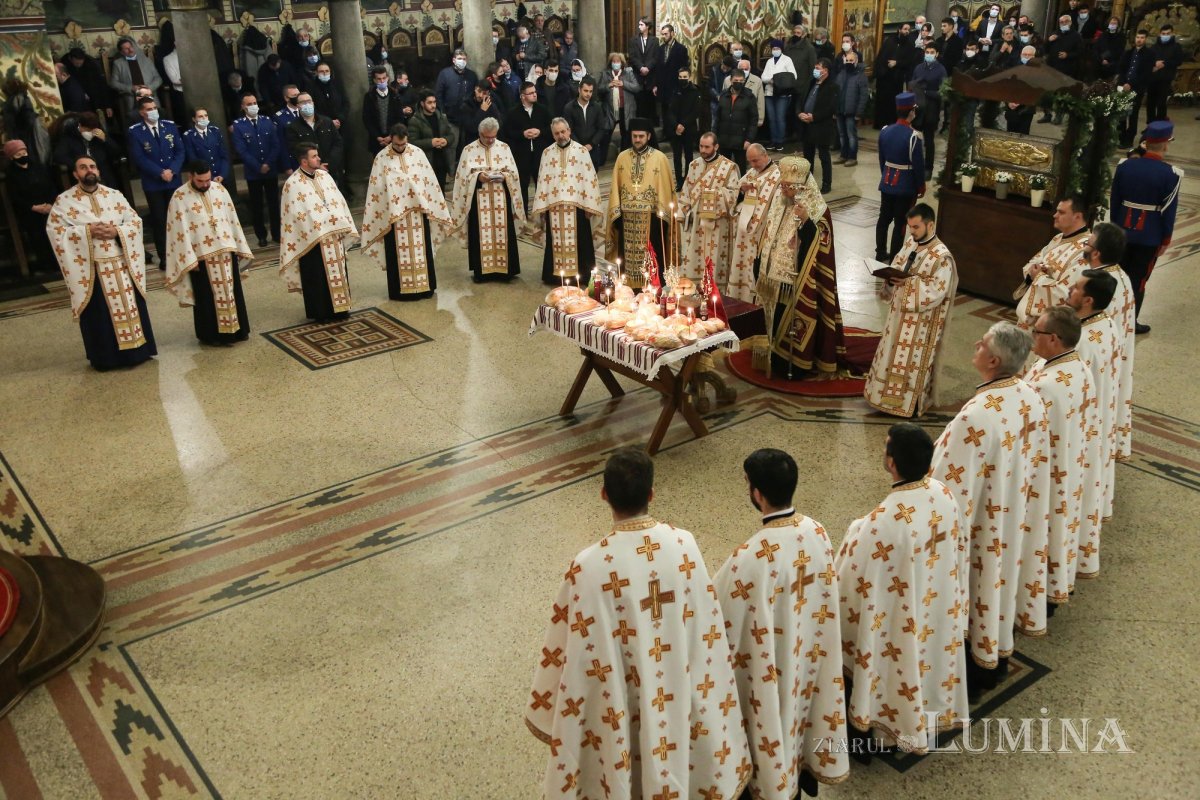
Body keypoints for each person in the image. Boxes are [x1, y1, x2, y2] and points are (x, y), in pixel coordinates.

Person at [526, 447, 751, 799]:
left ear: (603, 495)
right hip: (677, 687)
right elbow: (706, 628)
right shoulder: (684, 545)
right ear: (651, 494)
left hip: (617, 698)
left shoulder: (587, 567)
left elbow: (571, 653)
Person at [713, 448, 850, 795]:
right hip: (807, 659)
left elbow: (717, 621)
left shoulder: (750, 557)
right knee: (800, 712)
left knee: (772, 719)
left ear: (756, 494)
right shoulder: (818, 531)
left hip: (772, 666)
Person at [929, 322, 1050, 696]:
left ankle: (971, 659)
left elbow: (943, 486)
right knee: (998, 583)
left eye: (981, 344)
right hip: (1013, 510)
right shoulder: (1028, 393)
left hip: (982, 522)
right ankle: (993, 647)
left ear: (993, 360)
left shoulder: (975, 416)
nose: (975, 344)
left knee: (975, 587)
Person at [835, 424, 968, 755]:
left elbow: (848, 587)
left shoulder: (879, 525)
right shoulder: (944, 493)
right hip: (934, 603)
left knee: (895, 659)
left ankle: (889, 725)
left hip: (898, 620)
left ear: (892, 463)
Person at [46, 155, 157, 370]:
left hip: (121, 264)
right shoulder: (64, 201)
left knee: (130, 307)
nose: (89, 170)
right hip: (92, 269)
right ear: (75, 174)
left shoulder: (115, 195)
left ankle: (138, 353)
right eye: (83, 167)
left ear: (98, 171)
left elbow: (135, 222)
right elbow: (55, 232)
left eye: (93, 166)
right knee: (100, 314)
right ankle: (106, 358)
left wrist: (117, 231)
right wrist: (87, 231)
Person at [1025, 306, 1099, 612]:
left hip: (1043, 475)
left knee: (1039, 535)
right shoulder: (1078, 366)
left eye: (1037, 331)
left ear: (1053, 339)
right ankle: (1054, 586)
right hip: (1068, 467)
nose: (1033, 336)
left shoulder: (1046, 385)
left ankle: (1036, 595)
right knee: (1058, 527)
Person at [756, 157, 848, 377]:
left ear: (802, 187)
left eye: (789, 187)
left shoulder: (818, 210)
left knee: (793, 320)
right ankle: (774, 356)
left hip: (802, 279)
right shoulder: (780, 203)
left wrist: (806, 221)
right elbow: (769, 233)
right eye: (783, 185)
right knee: (774, 316)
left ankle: (797, 364)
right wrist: (760, 261)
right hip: (774, 278)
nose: (784, 190)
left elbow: (823, 245)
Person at [864, 203, 957, 417]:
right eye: (909, 227)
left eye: (916, 227)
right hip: (898, 314)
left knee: (909, 364)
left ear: (930, 225)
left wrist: (909, 284)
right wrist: (889, 276)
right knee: (889, 354)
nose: (911, 232)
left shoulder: (942, 257)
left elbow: (937, 291)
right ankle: (881, 397)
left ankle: (908, 404)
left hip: (920, 324)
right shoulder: (910, 243)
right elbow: (898, 263)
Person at [163, 160, 253, 345]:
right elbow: (177, 231)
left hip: (226, 252)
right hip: (201, 258)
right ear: (191, 177)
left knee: (232, 292)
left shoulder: (219, 190)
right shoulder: (179, 197)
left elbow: (232, 218)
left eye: (207, 180)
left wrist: (238, 246)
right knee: (206, 298)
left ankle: (238, 330)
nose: (205, 184)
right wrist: (188, 259)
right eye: (200, 181)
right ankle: (212, 336)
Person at [1066, 270, 1119, 577]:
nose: (1069, 290)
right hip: (1095, 424)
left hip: (1078, 433)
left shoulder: (1082, 341)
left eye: (1075, 288)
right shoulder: (1106, 325)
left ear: (1087, 300)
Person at [360, 124, 452, 301]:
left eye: (404, 144)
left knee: (422, 250)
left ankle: (425, 287)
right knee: (397, 253)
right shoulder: (381, 158)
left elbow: (429, 181)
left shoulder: (417, 153)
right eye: (397, 145)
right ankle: (400, 291)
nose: (401, 148)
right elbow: (376, 190)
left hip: (418, 213)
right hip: (395, 217)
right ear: (391, 139)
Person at [1112, 120, 1180, 334]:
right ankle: (1130, 322)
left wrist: (1115, 228)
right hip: (1150, 235)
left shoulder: (1125, 166)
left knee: (1117, 274)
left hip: (1121, 230)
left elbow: (1115, 201)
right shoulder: (1171, 174)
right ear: (1166, 145)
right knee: (1139, 279)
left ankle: (1110, 316)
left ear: (1145, 142)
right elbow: (1169, 212)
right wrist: (1165, 239)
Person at [278, 145, 358, 322]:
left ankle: (341, 309)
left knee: (339, 273)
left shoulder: (325, 176)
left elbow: (338, 201)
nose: (319, 158)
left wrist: (339, 222)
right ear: (304, 161)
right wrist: (316, 227)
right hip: (312, 242)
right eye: (314, 156)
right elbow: (295, 216)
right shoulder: (292, 184)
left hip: (333, 236)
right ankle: (321, 312)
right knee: (317, 277)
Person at [1082, 223, 1135, 461]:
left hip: (1095, 359)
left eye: (1088, 243)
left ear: (1096, 253)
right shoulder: (1121, 276)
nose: (1084, 246)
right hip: (1112, 356)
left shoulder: (1102, 283)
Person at [529, 118, 604, 286]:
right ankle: (555, 276)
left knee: (581, 241)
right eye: (557, 133)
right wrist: (542, 207)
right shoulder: (547, 153)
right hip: (554, 208)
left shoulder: (581, 151)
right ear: (553, 134)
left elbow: (590, 178)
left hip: (577, 206)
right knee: (555, 242)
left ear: (569, 131)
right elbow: (542, 181)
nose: (561, 136)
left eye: (563, 132)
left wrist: (590, 205)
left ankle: (583, 275)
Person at [449, 118, 524, 282]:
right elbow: (462, 179)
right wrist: (478, 177)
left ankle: (506, 270)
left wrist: (504, 176)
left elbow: (514, 175)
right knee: (480, 234)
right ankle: (482, 272)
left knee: (503, 231)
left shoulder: (504, 148)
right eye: (486, 137)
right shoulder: (469, 150)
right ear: (479, 133)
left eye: (493, 137)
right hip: (478, 201)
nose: (490, 140)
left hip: (501, 199)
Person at [603, 118, 676, 288]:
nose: (637, 140)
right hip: (627, 219)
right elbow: (616, 188)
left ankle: (653, 289)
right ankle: (628, 292)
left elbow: (666, 190)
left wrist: (662, 215)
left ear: (649, 136)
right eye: (634, 136)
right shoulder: (622, 158)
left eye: (641, 136)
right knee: (626, 261)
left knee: (653, 257)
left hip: (652, 220)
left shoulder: (660, 158)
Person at [1015, 195, 1090, 326]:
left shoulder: (1085, 251)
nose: (1055, 215)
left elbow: (1068, 293)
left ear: (1077, 216)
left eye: (1061, 212)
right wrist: (1036, 272)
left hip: (1053, 325)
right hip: (1032, 318)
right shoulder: (1058, 238)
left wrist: (1039, 277)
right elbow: (1033, 263)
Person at [676, 133, 739, 286]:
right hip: (696, 222)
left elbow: (733, 194)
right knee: (694, 255)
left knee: (713, 257)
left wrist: (712, 198)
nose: (703, 150)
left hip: (717, 224)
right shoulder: (694, 165)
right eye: (701, 146)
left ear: (716, 147)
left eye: (707, 147)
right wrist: (683, 211)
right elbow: (686, 191)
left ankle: (714, 290)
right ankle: (694, 288)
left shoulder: (729, 167)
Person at [127, 96, 182, 269]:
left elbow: (180, 151)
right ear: (142, 112)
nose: (153, 111)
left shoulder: (170, 126)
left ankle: (182, 252)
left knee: (177, 217)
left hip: (173, 180)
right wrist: (159, 172)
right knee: (159, 220)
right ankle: (165, 256)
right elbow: (139, 157)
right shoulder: (135, 131)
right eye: (149, 109)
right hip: (153, 182)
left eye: (154, 108)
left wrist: (172, 170)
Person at [726, 143, 780, 301]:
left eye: (756, 160)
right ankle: (738, 297)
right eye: (750, 161)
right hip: (743, 232)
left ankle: (753, 299)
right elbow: (736, 192)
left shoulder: (777, 176)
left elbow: (777, 207)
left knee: (753, 269)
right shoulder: (752, 172)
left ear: (765, 155)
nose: (753, 165)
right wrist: (742, 191)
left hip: (759, 234)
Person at [875, 93, 924, 262]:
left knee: (884, 219)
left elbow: (882, 160)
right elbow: (918, 166)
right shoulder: (913, 136)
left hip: (887, 182)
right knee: (900, 223)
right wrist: (920, 186)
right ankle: (895, 256)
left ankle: (880, 252)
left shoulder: (885, 131)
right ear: (911, 112)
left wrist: (885, 176)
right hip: (905, 186)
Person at [231, 93, 281, 248]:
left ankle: (277, 233)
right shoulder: (238, 125)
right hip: (253, 172)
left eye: (254, 102)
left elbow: (275, 144)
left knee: (274, 203)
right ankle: (261, 235)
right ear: (243, 107)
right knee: (257, 205)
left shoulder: (267, 121)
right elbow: (241, 150)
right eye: (249, 103)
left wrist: (267, 163)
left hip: (270, 169)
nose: (253, 105)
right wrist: (258, 166)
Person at [3, 140, 58, 272]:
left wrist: (50, 203)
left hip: (48, 207)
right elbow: (15, 196)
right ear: (11, 157)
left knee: (54, 236)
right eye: (18, 154)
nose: (23, 156)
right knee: (38, 238)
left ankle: (59, 263)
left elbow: (50, 185)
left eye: (24, 152)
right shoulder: (11, 173)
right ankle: (46, 266)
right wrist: (33, 207)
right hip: (30, 211)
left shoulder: (38, 166)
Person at [500, 81, 551, 211]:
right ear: (523, 96)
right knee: (521, 186)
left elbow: (551, 128)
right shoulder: (513, 112)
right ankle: (522, 215)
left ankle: (543, 213)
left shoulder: (543, 110)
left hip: (540, 154)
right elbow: (506, 133)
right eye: (531, 93)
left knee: (543, 185)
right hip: (522, 155)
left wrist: (540, 132)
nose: (535, 95)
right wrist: (522, 134)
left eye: (535, 92)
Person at [285, 92, 345, 196]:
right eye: (303, 102)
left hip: (330, 170)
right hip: (309, 174)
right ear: (298, 106)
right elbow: (296, 150)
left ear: (313, 103)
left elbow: (337, 143)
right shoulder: (293, 127)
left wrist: (329, 164)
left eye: (309, 101)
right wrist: (317, 165)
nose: (307, 104)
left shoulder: (326, 121)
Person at [797, 59, 838, 194]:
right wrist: (800, 113)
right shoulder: (811, 83)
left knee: (824, 156)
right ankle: (808, 181)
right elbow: (801, 100)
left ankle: (827, 183)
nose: (815, 70)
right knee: (808, 156)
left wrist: (814, 117)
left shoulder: (832, 86)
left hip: (822, 126)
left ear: (825, 71)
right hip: (807, 125)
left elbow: (831, 108)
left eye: (818, 68)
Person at [53, 112, 121, 190]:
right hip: (81, 175)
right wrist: (78, 165)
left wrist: (105, 140)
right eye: (87, 130)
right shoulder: (69, 136)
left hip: (102, 173)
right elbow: (58, 156)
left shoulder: (98, 133)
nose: (90, 133)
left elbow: (117, 151)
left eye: (92, 130)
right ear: (80, 126)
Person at [434, 49, 479, 157]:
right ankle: (452, 171)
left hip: (468, 116)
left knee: (468, 145)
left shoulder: (471, 75)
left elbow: (476, 93)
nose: (462, 61)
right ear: (454, 60)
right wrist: (442, 112)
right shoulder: (445, 74)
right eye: (459, 59)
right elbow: (438, 94)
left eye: (464, 59)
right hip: (450, 117)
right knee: (452, 146)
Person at [910, 44, 946, 180]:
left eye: (932, 52)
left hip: (931, 108)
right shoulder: (918, 68)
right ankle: (914, 164)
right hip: (918, 107)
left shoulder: (941, 69)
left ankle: (928, 168)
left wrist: (927, 92)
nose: (929, 54)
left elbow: (943, 91)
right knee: (914, 138)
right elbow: (912, 84)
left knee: (929, 140)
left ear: (936, 54)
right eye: (927, 52)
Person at [1038, 14, 1083, 124]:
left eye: (1065, 21)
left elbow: (1080, 52)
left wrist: (1068, 55)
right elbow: (1045, 50)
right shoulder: (1055, 34)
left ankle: (1059, 115)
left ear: (1070, 22)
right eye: (1061, 22)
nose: (1063, 24)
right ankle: (1047, 114)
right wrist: (1049, 40)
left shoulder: (1076, 36)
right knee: (1047, 92)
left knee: (1061, 93)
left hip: (1067, 69)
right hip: (1052, 67)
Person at [108, 37, 162, 126]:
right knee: (136, 124)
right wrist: (131, 88)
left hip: (150, 97)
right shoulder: (118, 63)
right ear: (121, 52)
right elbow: (113, 83)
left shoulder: (146, 60)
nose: (130, 50)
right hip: (132, 99)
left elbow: (158, 79)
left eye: (131, 47)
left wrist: (149, 88)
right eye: (126, 48)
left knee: (158, 122)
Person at [713, 71, 758, 174]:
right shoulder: (724, 95)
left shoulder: (749, 97)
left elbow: (753, 120)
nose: (738, 82)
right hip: (723, 138)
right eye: (736, 80)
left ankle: (741, 189)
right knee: (723, 168)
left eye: (741, 81)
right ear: (731, 80)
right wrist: (714, 136)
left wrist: (749, 139)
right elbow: (717, 117)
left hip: (741, 140)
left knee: (741, 169)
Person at [408, 91, 456, 187]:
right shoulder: (415, 121)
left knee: (441, 190)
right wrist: (431, 143)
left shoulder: (442, 117)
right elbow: (412, 143)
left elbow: (451, 135)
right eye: (429, 103)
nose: (433, 105)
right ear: (422, 103)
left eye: (434, 102)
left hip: (442, 160)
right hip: (426, 162)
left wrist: (445, 140)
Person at [596, 53, 640, 154]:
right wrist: (609, 85)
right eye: (614, 61)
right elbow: (599, 90)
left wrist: (623, 84)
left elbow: (636, 88)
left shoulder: (628, 73)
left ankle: (624, 157)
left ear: (622, 63)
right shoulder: (605, 74)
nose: (616, 63)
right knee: (606, 133)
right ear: (610, 63)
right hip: (610, 109)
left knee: (625, 134)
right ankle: (601, 159)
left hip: (625, 108)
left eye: (618, 61)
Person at [563, 76, 610, 170]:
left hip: (592, 149)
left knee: (593, 177)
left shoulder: (597, 107)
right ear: (579, 90)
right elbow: (568, 130)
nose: (588, 94)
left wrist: (591, 144)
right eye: (585, 90)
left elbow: (601, 128)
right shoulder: (569, 108)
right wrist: (580, 147)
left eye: (590, 91)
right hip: (575, 150)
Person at [760, 39, 798, 152]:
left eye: (777, 48)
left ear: (781, 49)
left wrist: (780, 80)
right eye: (773, 48)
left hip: (782, 94)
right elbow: (763, 76)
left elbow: (793, 75)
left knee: (780, 118)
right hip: (769, 93)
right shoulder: (769, 61)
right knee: (771, 119)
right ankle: (773, 140)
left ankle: (780, 141)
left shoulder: (787, 60)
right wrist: (772, 80)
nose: (775, 50)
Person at [1116, 30, 1153, 147]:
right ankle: (1120, 137)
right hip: (1123, 86)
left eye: (1142, 37)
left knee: (1133, 114)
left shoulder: (1149, 54)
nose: (1139, 39)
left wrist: (1131, 84)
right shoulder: (1128, 53)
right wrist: (1123, 83)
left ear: (1145, 39)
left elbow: (1145, 74)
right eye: (1138, 37)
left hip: (1137, 88)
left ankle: (1129, 139)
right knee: (1121, 113)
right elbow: (1121, 69)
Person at [652, 24, 689, 139]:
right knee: (664, 110)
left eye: (666, 34)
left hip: (675, 85)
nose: (664, 36)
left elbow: (684, 68)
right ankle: (666, 133)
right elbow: (657, 68)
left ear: (672, 33)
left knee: (674, 110)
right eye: (662, 34)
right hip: (663, 86)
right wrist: (655, 85)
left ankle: (674, 133)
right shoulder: (660, 48)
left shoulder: (681, 49)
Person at [873, 24, 912, 130]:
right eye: (905, 29)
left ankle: (891, 124)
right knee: (882, 101)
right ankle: (880, 123)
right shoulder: (890, 41)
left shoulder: (909, 45)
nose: (906, 31)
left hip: (896, 79)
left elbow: (909, 62)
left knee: (892, 103)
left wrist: (897, 63)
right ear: (899, 30)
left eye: (908, 29)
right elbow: (881, 56)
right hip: (884, 77)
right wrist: (881, 70)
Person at [833, 49, 867, 167]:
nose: (848, 62)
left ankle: (852, 157)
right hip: (840, 110)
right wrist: (834, 109)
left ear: (856, 61)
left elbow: (863, 96)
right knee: (842, 135)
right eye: (847, 60)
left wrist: (859, 112)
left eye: (851, 60)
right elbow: (835, 92)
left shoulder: (861, 76)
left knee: (851, 135)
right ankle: (843, 155)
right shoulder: (841, 74)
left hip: (851, 111)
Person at [362, 66, 406, 156]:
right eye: (379, 79)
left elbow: (400, 118)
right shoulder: (369, 96)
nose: (382, 81)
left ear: (387, 78)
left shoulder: (394, 95)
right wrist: (377, 137)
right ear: (374, 80)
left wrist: (391, 136)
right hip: (376, 140)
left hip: (394, 139)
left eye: (384, 78)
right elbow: (367, 119)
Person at [181, 107, 231, 185]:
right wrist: (211, 178)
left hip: (221, 177)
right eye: (200, 116)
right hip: (203, 179)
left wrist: (222, 175)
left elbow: (224, 156)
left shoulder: (215, 131)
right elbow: (193, 160)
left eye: (206, 115)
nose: (204, 118)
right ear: (194, 119)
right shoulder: (188, 136)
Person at [62, 48, 113, 122]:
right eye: (76, 63)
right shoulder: (65, 64)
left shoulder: (91, 64)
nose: (79, 65)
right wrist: (81, 93)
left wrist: (108, 105)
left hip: (94, 97)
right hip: (77, 97)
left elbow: (102, 84)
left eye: (80, 63)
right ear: (70, 59)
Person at [1146, 24, 1183, 123]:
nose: (1165, 35)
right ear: (1160, 34)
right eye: (1163, 33)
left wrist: (1164, 63)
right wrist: (1154, 63)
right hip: (1153, 78)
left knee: (1161, 103)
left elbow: (1178, 61)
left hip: (1165, 78)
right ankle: (1150, 125)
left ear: (1172, 34)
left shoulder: (1176, 46)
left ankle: (1160, 125)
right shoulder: (1154, 46)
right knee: (1150, 103)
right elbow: (1148, 59)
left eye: (1168, 33)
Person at [626, 17, 661, 122]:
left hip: (651, 76)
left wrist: (648, 67)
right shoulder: (633, 40)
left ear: (647, 26)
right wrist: (641, 67)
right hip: (638, 74)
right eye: (639, 24)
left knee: (650, 102)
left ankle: (651, 125)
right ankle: (639, 124)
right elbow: (632, 56)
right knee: (639, 101)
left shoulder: (655, 40)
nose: (639, 27)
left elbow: (656, 57)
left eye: (641, 24)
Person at [784, 23, 818, 109]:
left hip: (802, 86)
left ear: (804, 35)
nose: (796, 35)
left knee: (798, 111)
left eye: (798, 33)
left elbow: (812, 68)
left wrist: (807, 85)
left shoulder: (809, 48)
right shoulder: (788, 46)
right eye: (794, 32)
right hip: (788, 85)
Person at [273, 85, 303, 175]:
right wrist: (287, 166)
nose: (298, 98)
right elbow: (281, 143)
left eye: (299, 95)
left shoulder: (306, 111)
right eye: (294, 96)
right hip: (293, 160)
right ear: (286, 98)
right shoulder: (279, 117)